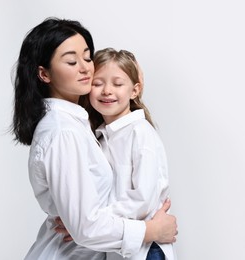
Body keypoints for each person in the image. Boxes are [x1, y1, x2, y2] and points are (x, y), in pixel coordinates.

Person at [12, 17, 178, 260]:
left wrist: (132, 78)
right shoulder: (64, 133)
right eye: (71, 61)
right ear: (44, 74)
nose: (85, 68)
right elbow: (86, 227)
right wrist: (150, 230)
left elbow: (86, 220)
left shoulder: (83, 127)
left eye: (88, 57)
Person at [80, 48, 176, 260]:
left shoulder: (141, 133)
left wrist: (91, 221)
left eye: (117, 83)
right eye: (98, 83)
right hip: (121, 249)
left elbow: (143, 199)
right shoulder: (99, 138)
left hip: (147, 250)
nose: (107, 90)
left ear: (134, 90)